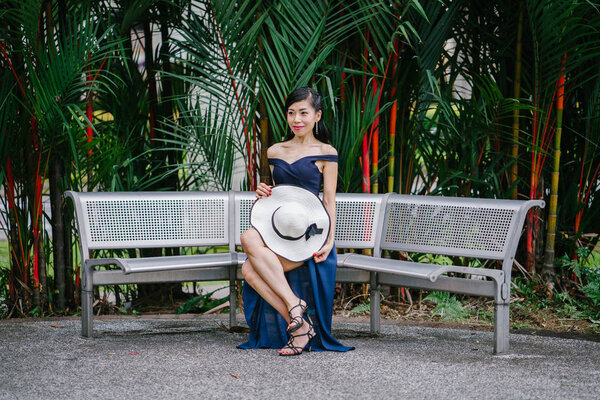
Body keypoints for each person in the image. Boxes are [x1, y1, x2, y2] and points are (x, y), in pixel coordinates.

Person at [237, 87, 353, 356]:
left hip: (309, 235)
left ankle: (299, 323)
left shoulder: (327, 152)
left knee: (249, 271)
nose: (296, 119)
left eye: (303, 112)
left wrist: (330, 240)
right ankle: (296, 309)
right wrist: (262, 192)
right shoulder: (275, 151)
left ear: (317, 115)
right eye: (291, 113)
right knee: (247, 237)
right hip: (281, 231)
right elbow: (278, 196)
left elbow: (329, 200)